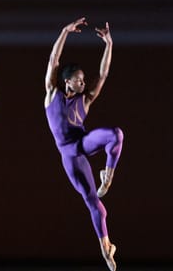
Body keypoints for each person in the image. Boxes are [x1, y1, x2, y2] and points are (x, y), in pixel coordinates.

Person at [44, 17, 124, 271]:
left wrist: (108, 45)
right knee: (94, 204)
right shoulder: (52, 93)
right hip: (70, 156)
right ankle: (105, 245)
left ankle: (108, 176)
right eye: (79, 80)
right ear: (67, 81)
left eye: (83, 80)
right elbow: (53, 61)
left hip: (83, 143)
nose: (83, 82)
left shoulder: (85, 100)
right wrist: (64, 31)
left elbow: (103, 74)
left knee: (116, 134)